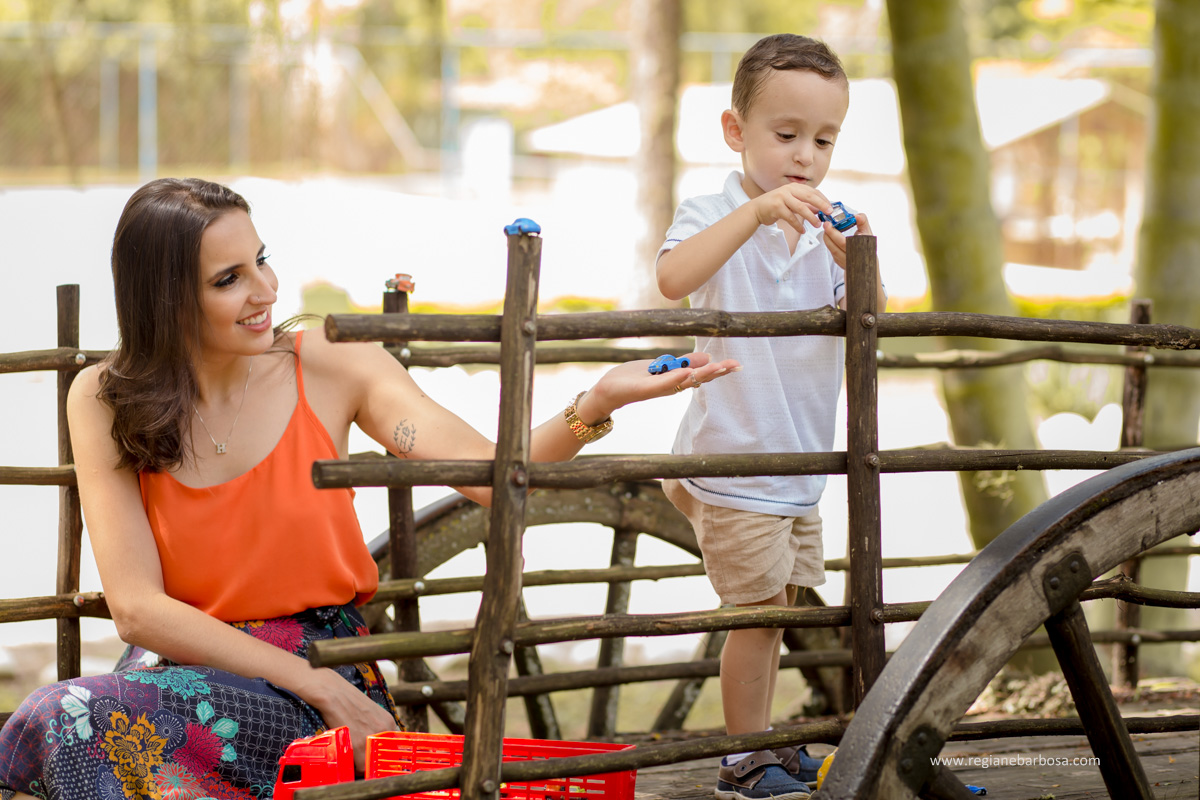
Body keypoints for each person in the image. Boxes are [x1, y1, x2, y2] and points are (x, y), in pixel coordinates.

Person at [0, 177, 739, 800]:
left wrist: (595, 405)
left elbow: (486, 475)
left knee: (69, 715)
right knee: (67, 718)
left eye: (261, 261)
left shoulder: (330, 362)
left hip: (320, 684)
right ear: (164, 300)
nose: (264, 291)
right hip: (176, 676)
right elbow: (137, 607)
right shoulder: (104, 397)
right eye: (228, 279)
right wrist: (313, 685)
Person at [656, 34, 886, 800]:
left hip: (799, 461)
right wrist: (755, 214)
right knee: (755, 616)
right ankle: (744, 761)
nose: (805, 157)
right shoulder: (716, 211)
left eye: (823, 140)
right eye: (785, 136)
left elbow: (875, 321)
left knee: (776, 614)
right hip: (736, 454)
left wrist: (858, 265)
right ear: (736, 132)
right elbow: (671, 277)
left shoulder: (830, 230)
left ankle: (761, 748)